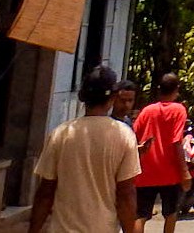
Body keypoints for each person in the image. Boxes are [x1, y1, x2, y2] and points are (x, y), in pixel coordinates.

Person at [29, 65, 139, 233]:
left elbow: (45, 193)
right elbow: (126, 195)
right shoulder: (124, 136)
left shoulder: (61, 134)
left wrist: (33, 230)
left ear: (83, 97)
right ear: (113, 99)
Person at [131, 73, 190, 233]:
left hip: (145, 172)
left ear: (159, 90)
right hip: (170, 173)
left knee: (140, 216)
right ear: (176, 90)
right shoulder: (179, 110)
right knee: (170, 214)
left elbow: (133, 136)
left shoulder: (147, 111)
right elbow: (176, 141)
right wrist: (184, 172)